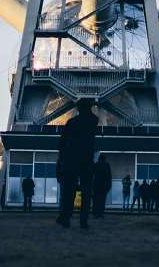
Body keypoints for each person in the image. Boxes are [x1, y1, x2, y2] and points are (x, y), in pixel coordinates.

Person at [55, 98, 98, 230]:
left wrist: (62, 159)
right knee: (86, 193)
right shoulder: (93, 121)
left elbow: (62, 143)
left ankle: (65, 218)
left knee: (69, 192)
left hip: (72, 161)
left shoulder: (72, 123)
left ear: (78, 109)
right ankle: (83, 221)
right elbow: (93, 117)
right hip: (86, 160)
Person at [92, 154, 112, 218]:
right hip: (104, 186)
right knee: (102, 200)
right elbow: (109, 177)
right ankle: (100, 213)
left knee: (96, 200)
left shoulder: (95, 165)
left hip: (96, 185)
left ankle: (95, 213)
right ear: (104, 159)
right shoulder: (107, 165)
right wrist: (109, 186)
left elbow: (92, 176)